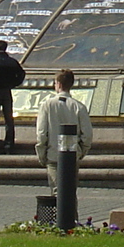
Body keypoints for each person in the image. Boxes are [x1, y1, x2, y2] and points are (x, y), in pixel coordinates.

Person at [33, 69, 94, 214]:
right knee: (70, 192)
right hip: (72, 155)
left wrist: (42, 155)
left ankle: (61, 222)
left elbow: (41, 133)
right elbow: (87, 134)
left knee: (56, 191)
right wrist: (80, 152)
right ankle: (73, 220)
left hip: (53, 156)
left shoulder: (47, 105)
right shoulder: (79, 106)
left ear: (58, 84)